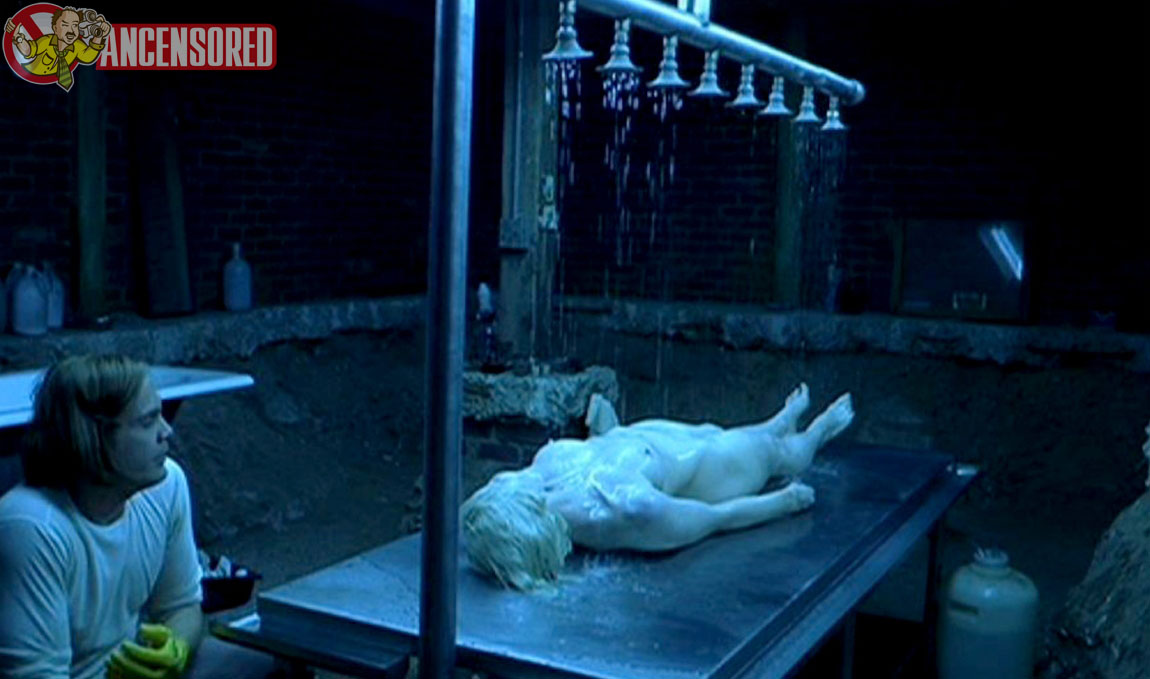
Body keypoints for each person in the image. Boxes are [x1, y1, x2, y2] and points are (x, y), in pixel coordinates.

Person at [0, 354, 279, 679]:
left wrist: (176, 647)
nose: (166, 431)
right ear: (93, 436)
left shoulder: (165, 485)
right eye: (147, 422)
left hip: (131, 670)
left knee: (274, 662)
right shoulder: (32, 527)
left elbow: (183, 606)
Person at [462, 383, 854, 590]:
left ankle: (778, 421)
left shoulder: (542, 466)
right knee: (783, 455)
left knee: (728, 434)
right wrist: (784, 501)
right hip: (711, 471)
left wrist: (606, 427)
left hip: (652, 438)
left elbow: (602, 455)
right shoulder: (622, 510)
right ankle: (818, 431)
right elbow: (715, 517)